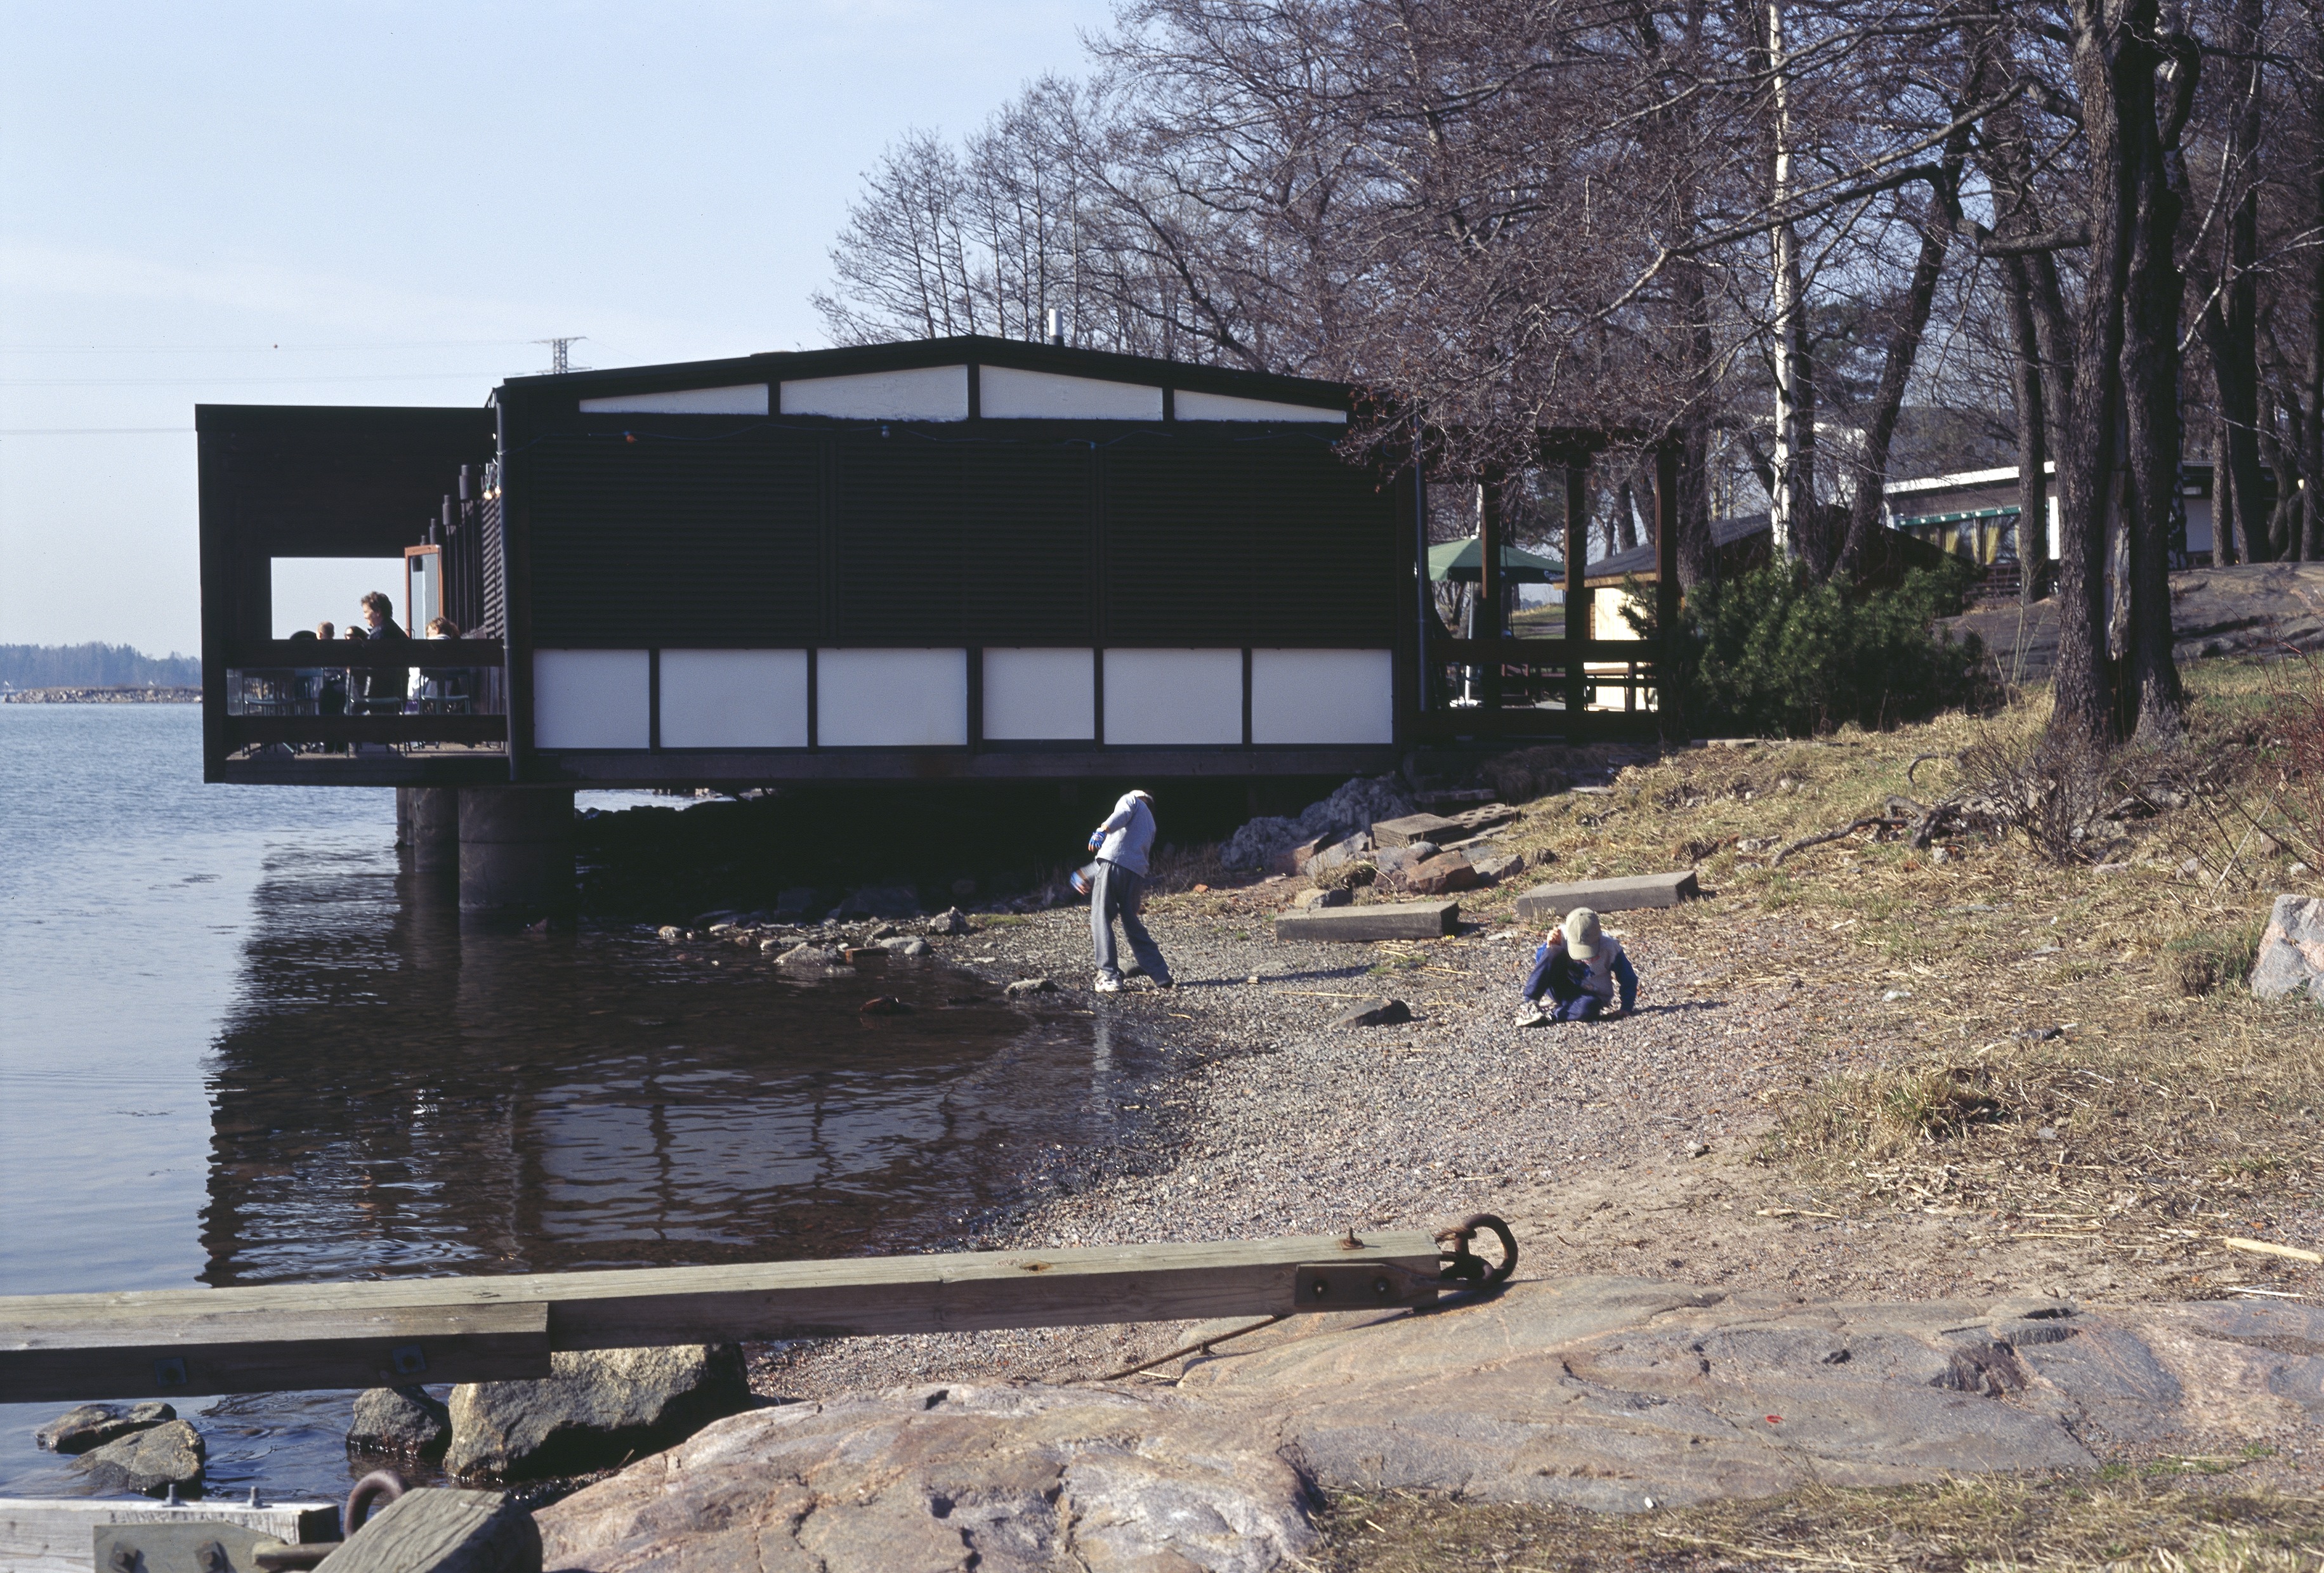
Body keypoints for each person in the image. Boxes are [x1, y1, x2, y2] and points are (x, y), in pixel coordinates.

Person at [1086, 788, 1172, 994]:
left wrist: (1103, 829)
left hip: (1113, 865)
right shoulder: (1151, 824)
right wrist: (1087, 873)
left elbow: (1120, 816)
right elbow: (1127, 850)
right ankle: (1161, 975)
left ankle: (1109, 976)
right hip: (1136, 874)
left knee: (1100, 917)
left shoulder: (1131, 800)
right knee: (1132, 924)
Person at [1514, 906, 1637, 1026]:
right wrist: (1549, 947)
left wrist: (1626, 1007)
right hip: (1561, 986)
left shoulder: (1610, 947)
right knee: (1554, 952)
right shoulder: (1561, 936)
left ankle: (1554, 1014)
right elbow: (1541, 965)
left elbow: (1628, 978)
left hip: (1589, 997)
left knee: (1590, 1008)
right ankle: (1529, 1005)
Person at [353, 591, 410, 712]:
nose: (364, 616)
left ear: (378, 612)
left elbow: (371, 665)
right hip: (398, 691)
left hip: (377, 693)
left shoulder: (379, 635)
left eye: (366, 612)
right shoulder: (396, 631)